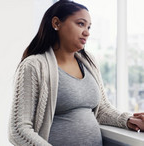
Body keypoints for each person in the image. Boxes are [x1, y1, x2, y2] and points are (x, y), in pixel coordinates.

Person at [8, 1, 144, 146]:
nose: (87, 32)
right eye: (80, 24)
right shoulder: (34, 66)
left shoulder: (88, 61)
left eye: (89, 27)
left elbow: (102, 110)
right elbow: (18, 129)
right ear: (56, 23)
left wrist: (129, 120)